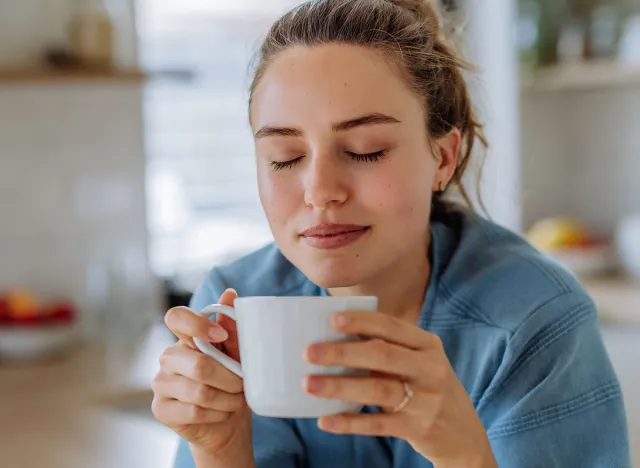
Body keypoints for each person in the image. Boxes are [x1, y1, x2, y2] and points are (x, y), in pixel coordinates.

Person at [152, 0, 632, 467]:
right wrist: (219, 450)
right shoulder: (235, 310)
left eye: (365, 150)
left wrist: (466, 457)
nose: (319, 192)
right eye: (284, 157)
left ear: (441, 158)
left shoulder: (533, 323)